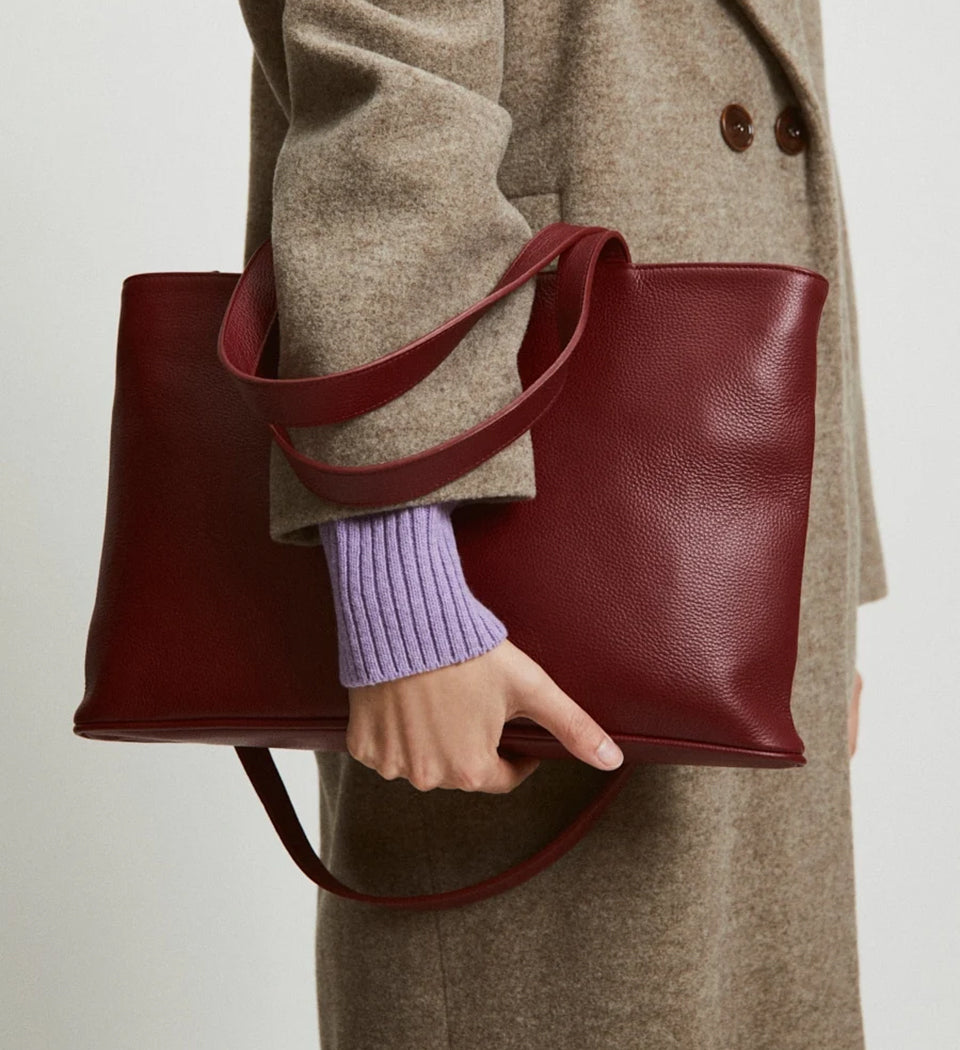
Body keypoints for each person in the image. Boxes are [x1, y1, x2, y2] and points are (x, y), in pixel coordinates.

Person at [236, 2, 889, 1047]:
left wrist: (821, 586)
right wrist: (400, 570)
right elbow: (388, 81)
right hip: (501, 532)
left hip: (722, 536)